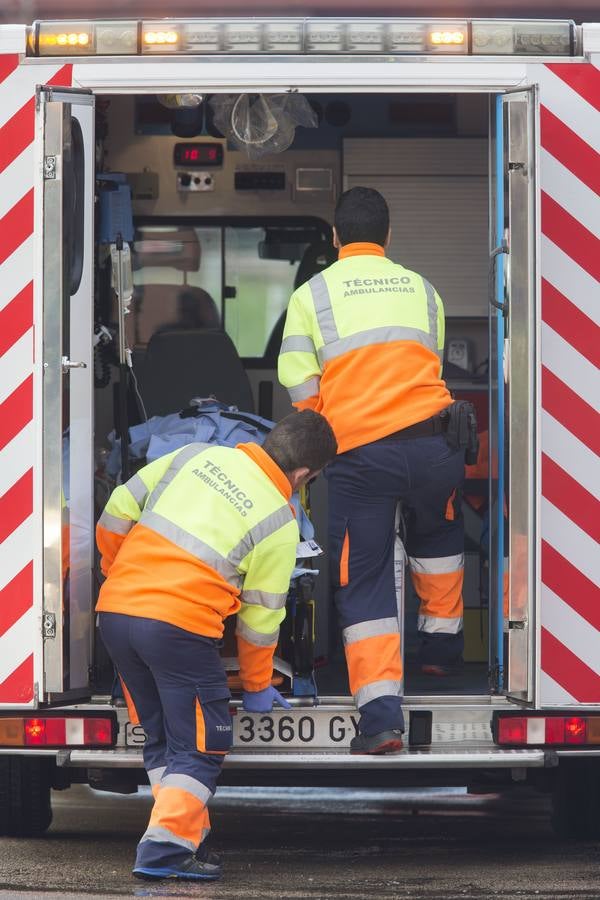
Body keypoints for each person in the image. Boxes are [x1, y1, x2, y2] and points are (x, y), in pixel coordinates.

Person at [95, 410, 337, 881]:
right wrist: (257, 685)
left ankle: (185, 837)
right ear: (304, 474)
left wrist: (118, 572)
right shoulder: (279, 522)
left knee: (163, 738)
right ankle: (163, 853)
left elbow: (117, 510)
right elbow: (259, 623)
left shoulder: (192, 456)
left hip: (116, 615)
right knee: (204, 747)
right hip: (178, 629)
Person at [278, 187, 464, 755]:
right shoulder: (423, 289)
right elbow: (429, 358)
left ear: (335, 238)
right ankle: (441, 655)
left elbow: (298, 384)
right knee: (439, 539)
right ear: (388, 236)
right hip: (437, 446)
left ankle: (381, 716)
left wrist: (327, 433)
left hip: (364, 457)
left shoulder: (312, 295)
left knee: (364, 577)